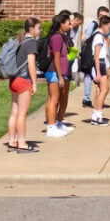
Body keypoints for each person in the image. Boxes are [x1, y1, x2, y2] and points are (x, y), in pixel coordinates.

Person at [7, 16, 41, 153]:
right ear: (31, 29)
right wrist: (34, 83)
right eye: (39, 28)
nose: (40, 31)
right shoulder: (31, 43)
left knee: (14, 112)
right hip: (23, 81)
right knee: (22, 114)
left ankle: (12, 141)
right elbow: (31, 65)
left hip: (13, 80)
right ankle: (22, 143)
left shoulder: (20, 41)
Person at [45, 9, 73, 138]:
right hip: (55, 72)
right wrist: (60, 76)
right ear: (61, 23)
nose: (70, 25)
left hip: (62, 72)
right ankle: (51, 127)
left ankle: (57, 124)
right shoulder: (56, 37)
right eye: (68, 22)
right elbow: (56, 57)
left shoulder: (64, 37)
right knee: (54, 99)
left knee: (60, 99)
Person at [82, 5, 109, 108]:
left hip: (100, 55)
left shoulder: (105, 27)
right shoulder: (93, 25)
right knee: (89, 75)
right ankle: (87, 98)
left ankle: (96, 101)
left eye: (105, 16)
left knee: (98, 80)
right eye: (101, 15)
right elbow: (86, 39)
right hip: (92, 54)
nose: (103, 18)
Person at [90, 14, 110, 126]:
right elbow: (97, 55)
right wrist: (98, 72)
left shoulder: (98, 35)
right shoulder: (98, 36)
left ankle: (97, 115)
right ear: (103, 24)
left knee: (102, 90)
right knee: (104, 89)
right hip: (100, 64)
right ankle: (97, 115)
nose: (109, 29)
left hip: (101, 64)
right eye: (109, 27)